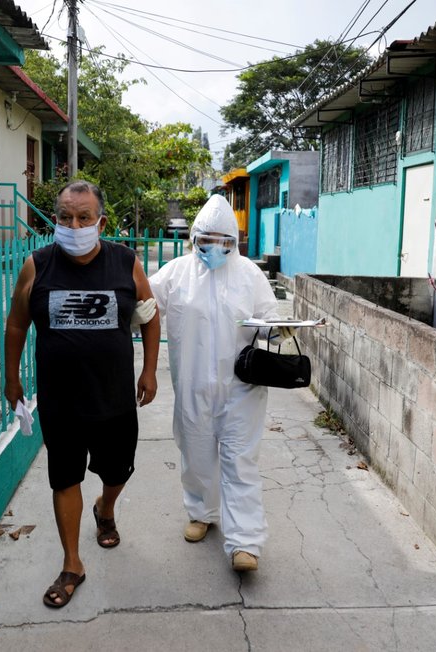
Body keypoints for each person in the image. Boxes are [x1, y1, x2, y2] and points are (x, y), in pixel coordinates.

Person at [4, 180, 160, 608]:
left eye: (83, 217)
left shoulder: (126, 262)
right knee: (64, 477)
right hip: (61, 401)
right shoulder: (37, 265)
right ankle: (72, 563)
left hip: (113, 399)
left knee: (117, 473)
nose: (74, 225)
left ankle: (105, 508)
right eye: (65, 217)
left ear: (101, 221)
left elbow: (149, 315)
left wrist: (148, 369)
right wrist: (11, 376)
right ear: (56, 220)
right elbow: (17, 323)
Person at [149, 195, 293, 573]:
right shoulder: (176, 273)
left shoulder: (248, 274)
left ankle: (245, 542)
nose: (214, 247)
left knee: (239, 462)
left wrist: (276, 330)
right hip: (192, 385)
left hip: (241, 388)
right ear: (194, 237)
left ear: (234, 241)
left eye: (223, 240)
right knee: (196, 454)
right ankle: (202, 512)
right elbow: (146, 305)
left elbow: (268, 319)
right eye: (207, 239)